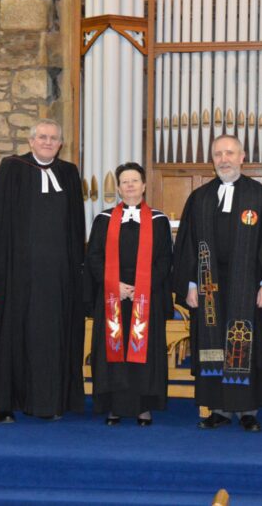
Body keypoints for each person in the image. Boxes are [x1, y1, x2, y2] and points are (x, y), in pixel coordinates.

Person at [173, 135, 262, 432]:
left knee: (245, 342)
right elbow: (186, 245)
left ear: (242, 156)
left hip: (247, 286)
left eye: (230, 153)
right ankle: (218, 409)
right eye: (218, 154)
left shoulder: (260, 195)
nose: (224, 159)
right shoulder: (200, 198)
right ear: (212, 159)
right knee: (212, 344)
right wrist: (190, 286)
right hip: (208, 285)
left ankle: (248, 410)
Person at [0, 118, 86, 422]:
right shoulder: (12, 167)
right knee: (13, 334)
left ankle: (48, 402)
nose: (48, 142)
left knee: (51, 338)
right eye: (42, 137)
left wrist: (75, 266)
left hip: (57, 277)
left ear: (60, 143)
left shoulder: (68, 172)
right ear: (31, 141)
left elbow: (75, 223)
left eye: (54, 138)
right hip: (18, 275)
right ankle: (6, 404)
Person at [85, 162, 172, 426]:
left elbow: (164, 259)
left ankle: (142, 407)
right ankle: (115, 406)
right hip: (113, 297)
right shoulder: (103, 220)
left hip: (145, 298)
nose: (130, 185)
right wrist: (114, 285)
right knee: (114, 350)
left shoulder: (159, 220)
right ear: (119, 188)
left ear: (144, 186)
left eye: (135, 180)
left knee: (143, 351)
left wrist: (141, 287)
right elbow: (94, 257)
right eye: (125, 181)